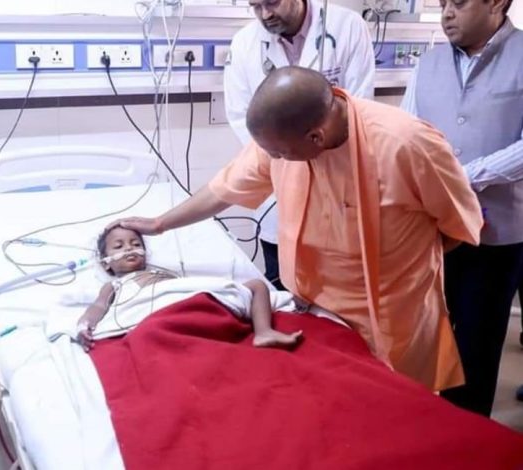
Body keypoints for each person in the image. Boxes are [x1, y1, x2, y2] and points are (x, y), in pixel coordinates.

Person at [118, 66, 484, 392]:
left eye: (280, 154)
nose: (273, 160)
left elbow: (458, 224)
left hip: (390, 315)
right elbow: (224, 189)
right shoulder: (281, 135)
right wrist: (160, 224)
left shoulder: (406, 144)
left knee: (398, 406)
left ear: (316, 138)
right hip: (316, 310)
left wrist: (404, 269)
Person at [400, 0, 523, 416]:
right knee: (428, 336)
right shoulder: (428, 63)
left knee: (477, 341)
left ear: (496, 4)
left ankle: (468, 432)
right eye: (441, 4)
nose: (447, 13)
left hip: (498, 231)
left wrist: (466, 175)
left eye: (459, 2)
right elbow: (406, 133)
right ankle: (432, 423)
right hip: (432, 230)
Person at [225, 0, 376, 290]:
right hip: (278, 189)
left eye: (272, 2)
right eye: (256, 6)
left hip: (337, 183)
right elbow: (241, 116)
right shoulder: (244, 43)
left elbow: (357, 106)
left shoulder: (347, 27)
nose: (265, 14)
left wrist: (312, 152)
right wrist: (285, 154)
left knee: (335, 293)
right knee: (284, 289)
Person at [76, 225, 302, 351]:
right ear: (106, 262)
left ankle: (263, 331)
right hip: (162, 313)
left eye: (136, 244)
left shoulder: (165, 274)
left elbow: (190, 288)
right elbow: (98, 306)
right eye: (119, 246)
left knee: (257, 285)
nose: (129, 248)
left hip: (193, 299)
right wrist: (85, 324)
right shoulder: (114, 284)